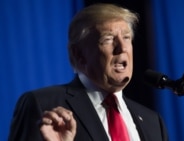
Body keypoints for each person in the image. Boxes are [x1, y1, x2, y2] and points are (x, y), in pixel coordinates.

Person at [8, 3, 168, 141]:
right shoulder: (43, 105)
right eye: (108, 39)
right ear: (79, 54)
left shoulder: (153, 122)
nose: (122, 48)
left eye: (126, 38)